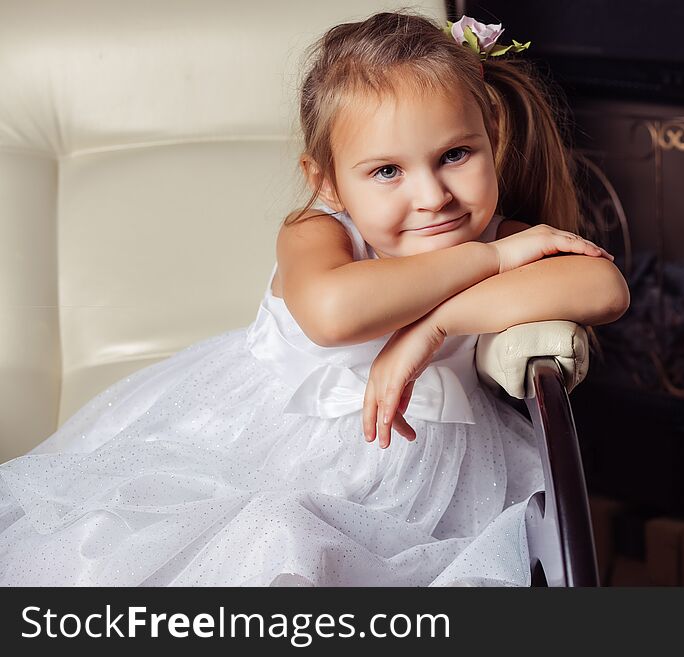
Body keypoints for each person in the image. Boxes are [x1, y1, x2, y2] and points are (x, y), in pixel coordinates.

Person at [0, 11, 629, 586]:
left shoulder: (500, 232)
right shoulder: (320, 231)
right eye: (388, 171)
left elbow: (602, 287)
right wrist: (489, 262)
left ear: (491, 139)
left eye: (455, 155)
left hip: (441, 475)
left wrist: (432, 330)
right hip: (268, 451)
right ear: (325, 179)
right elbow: (333, 315)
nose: (433, 195)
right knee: (270, 539)